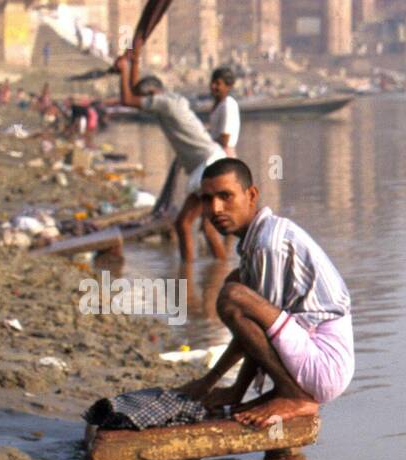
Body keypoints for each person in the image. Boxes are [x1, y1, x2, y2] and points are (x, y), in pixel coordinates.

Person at [179, 158, 354, 428]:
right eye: (208, 199)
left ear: (251, 195)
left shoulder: (266, 244)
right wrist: (220, 384)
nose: (215, 209)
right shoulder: (258, 241)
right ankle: (287, 395)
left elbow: (258, 329)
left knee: (233, 296)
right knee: (235, 284)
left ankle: (294, 396)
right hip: (311, 357)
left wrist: (214, 380)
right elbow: (256, 330)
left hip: (324, 364)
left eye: (225, 196)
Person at [112, 46, 226, 261]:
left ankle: (188, 281)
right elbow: (135, 95)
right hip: (212, 161)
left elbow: (128, 100)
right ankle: (218, 273)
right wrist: (133, 61)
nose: (145, 105)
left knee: (184, 224)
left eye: (146, 100)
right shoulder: (172, 99)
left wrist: (124, 69)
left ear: (154, 94)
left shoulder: (165, 104)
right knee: (207, 228)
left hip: (207, 165)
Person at [207, 66, 240, 157]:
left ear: (228, 86)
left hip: (223, 156)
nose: (213, 86)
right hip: (214, 154)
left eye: (218, 83)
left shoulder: (228, 105)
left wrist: (203, 143)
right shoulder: (219, 104)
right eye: (212, 82)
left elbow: (225, 139)